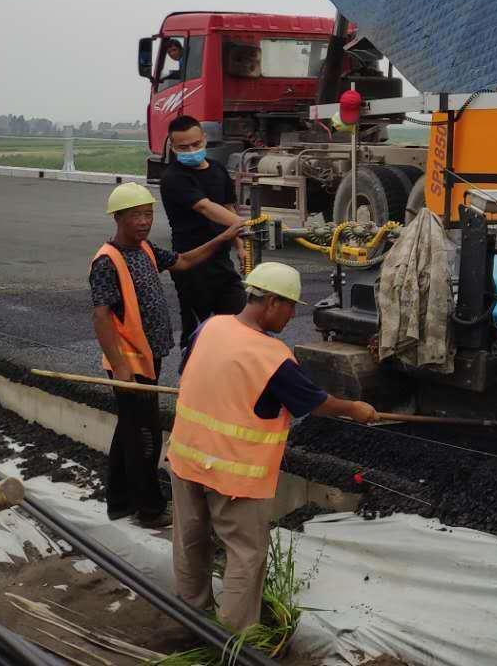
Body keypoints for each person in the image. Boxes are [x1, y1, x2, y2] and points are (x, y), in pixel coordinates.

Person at [168, 262, 376, 632]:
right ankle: (234, 640)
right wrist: (354, 409)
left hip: (186, 457)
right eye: (291, 306)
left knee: (190, 541)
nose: (292, 314)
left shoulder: (209, 327)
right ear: (272, 303)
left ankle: (191, 618)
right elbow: (316, 403)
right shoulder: (271, 356)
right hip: (233, 476)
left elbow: (193, 373)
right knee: (245, 555)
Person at [90, 182, 241, 527]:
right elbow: (101, 317)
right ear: (118, 218)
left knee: (129, 430)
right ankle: (150, 509)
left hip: (148, 356)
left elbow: (184, 261)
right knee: (146, 434)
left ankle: (119, 501)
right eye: (135, 216)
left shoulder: (145, 249)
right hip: (129, 362)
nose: (143, 221)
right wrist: (120, 366)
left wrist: (223, 238)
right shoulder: (106, 261)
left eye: (148, 214)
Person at [160, 115, 246, 349]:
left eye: (195, 145)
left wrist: (240, 245)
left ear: (204, 139)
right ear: (172, 146)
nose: (191, 150)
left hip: (221, 263)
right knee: (198, 332)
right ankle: (191, 377)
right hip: (191, 264)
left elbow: (228, 207)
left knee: (238, 321)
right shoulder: (173, 178)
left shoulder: (218, 169)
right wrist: (249, 224)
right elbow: (205, 207)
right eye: (183, 147)